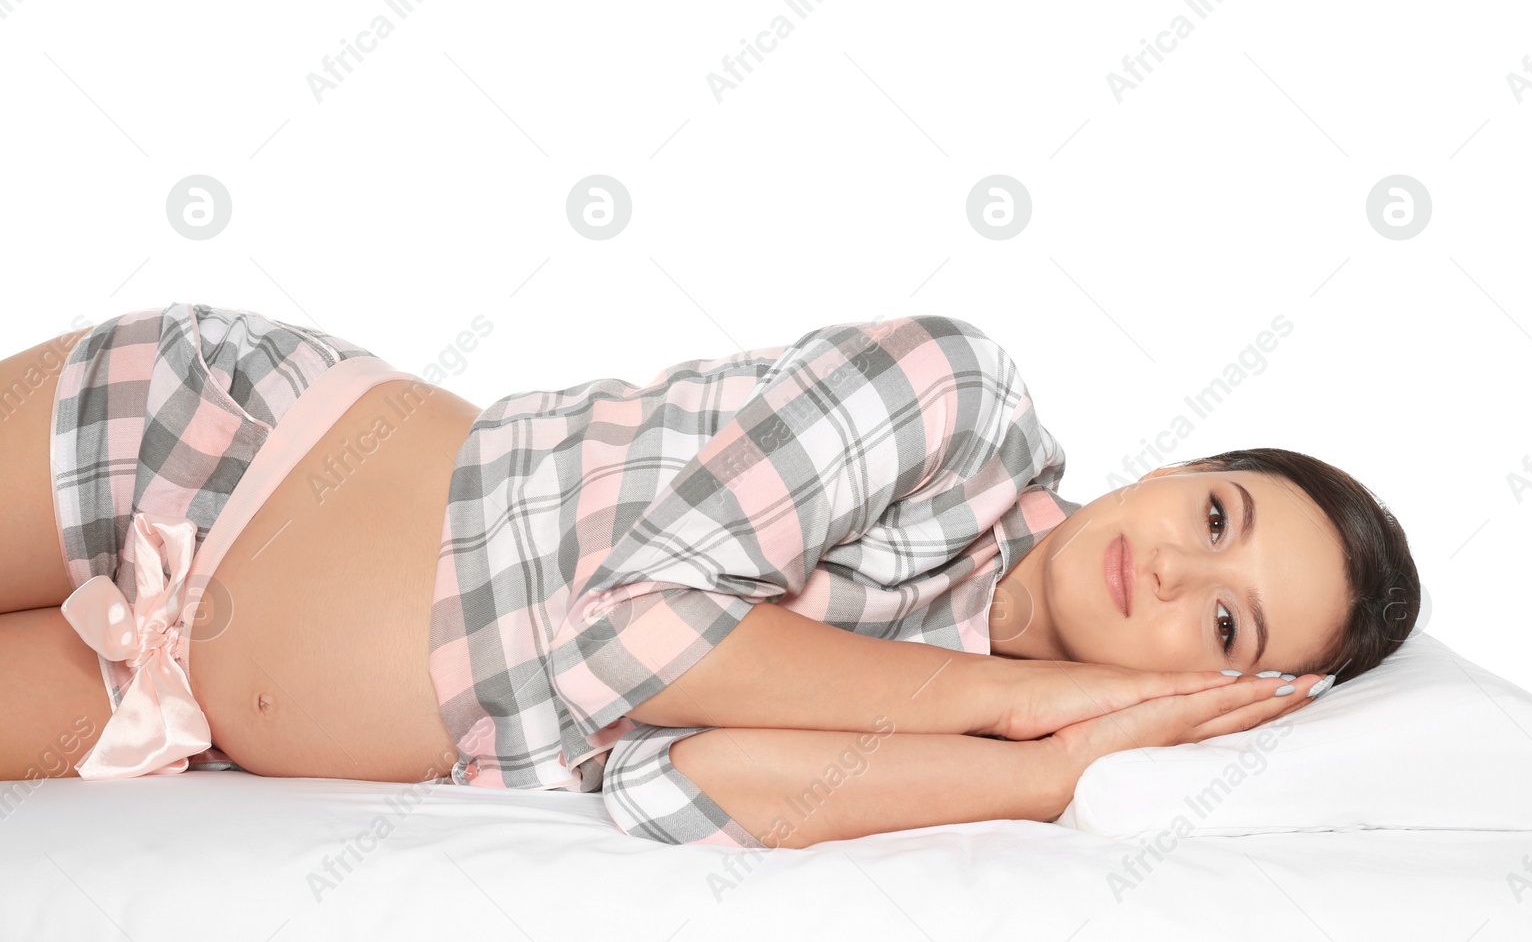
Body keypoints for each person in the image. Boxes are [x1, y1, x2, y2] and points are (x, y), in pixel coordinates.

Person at [0, 304, 1421, 850]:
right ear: (1181, 469)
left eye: (1219, 622)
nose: (1171, 564)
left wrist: (1055, 765)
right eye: (1220, 514)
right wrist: (1017, 702)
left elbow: (685, 784)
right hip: (204, 452)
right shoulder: (953, 401)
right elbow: (628, 636)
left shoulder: (967, 718)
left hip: (172, 705)